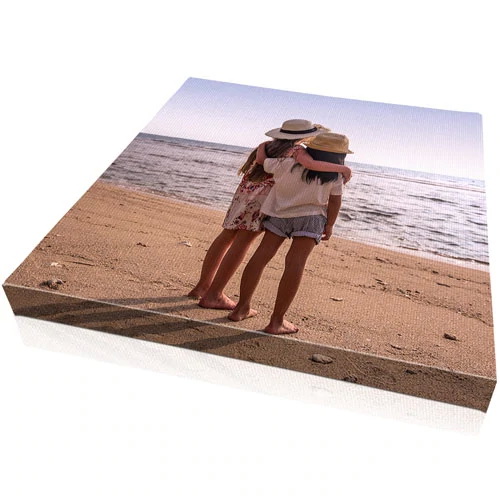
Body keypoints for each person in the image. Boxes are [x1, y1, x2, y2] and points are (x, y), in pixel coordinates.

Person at [188, 120, 352, 309]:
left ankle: (202, 286)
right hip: (264, 198)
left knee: (226, 237)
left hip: (245, 193)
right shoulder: (297, 151)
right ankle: (214, 294)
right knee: (243, 242)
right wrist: (343, 169)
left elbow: (260, 162)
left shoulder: (267, 146)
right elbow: (312, 165)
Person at [228, 132, 353, 334]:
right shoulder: (335, 175)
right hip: (311, 218)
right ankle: (276, 321)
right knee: (295, 264)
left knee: (260, 258)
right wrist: (329, 225)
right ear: (340, 157)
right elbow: (335, 202)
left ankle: (241, 308)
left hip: (278, 214)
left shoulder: (285, 164)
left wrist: (264, 146)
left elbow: (262, 161)